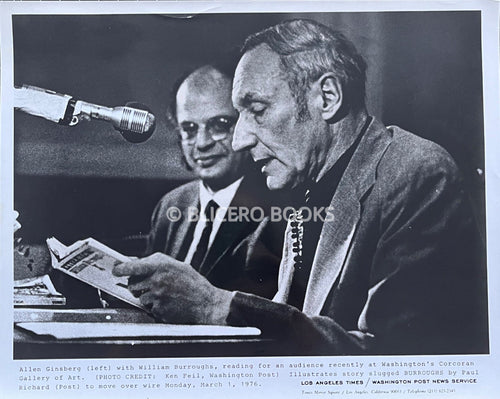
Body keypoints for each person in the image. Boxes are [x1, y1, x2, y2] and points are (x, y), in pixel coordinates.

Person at [114, 19, 488, 355]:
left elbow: (400, 359)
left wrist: (217, 306)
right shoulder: (304, 183)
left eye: (256, 110)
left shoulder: (418, 172)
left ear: (327, 97)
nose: (241, 139)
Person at [144, 61, 284, 298]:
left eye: (219, 125)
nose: (202, 143)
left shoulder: (278, 207)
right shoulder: (172, 205)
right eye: (189, 129)